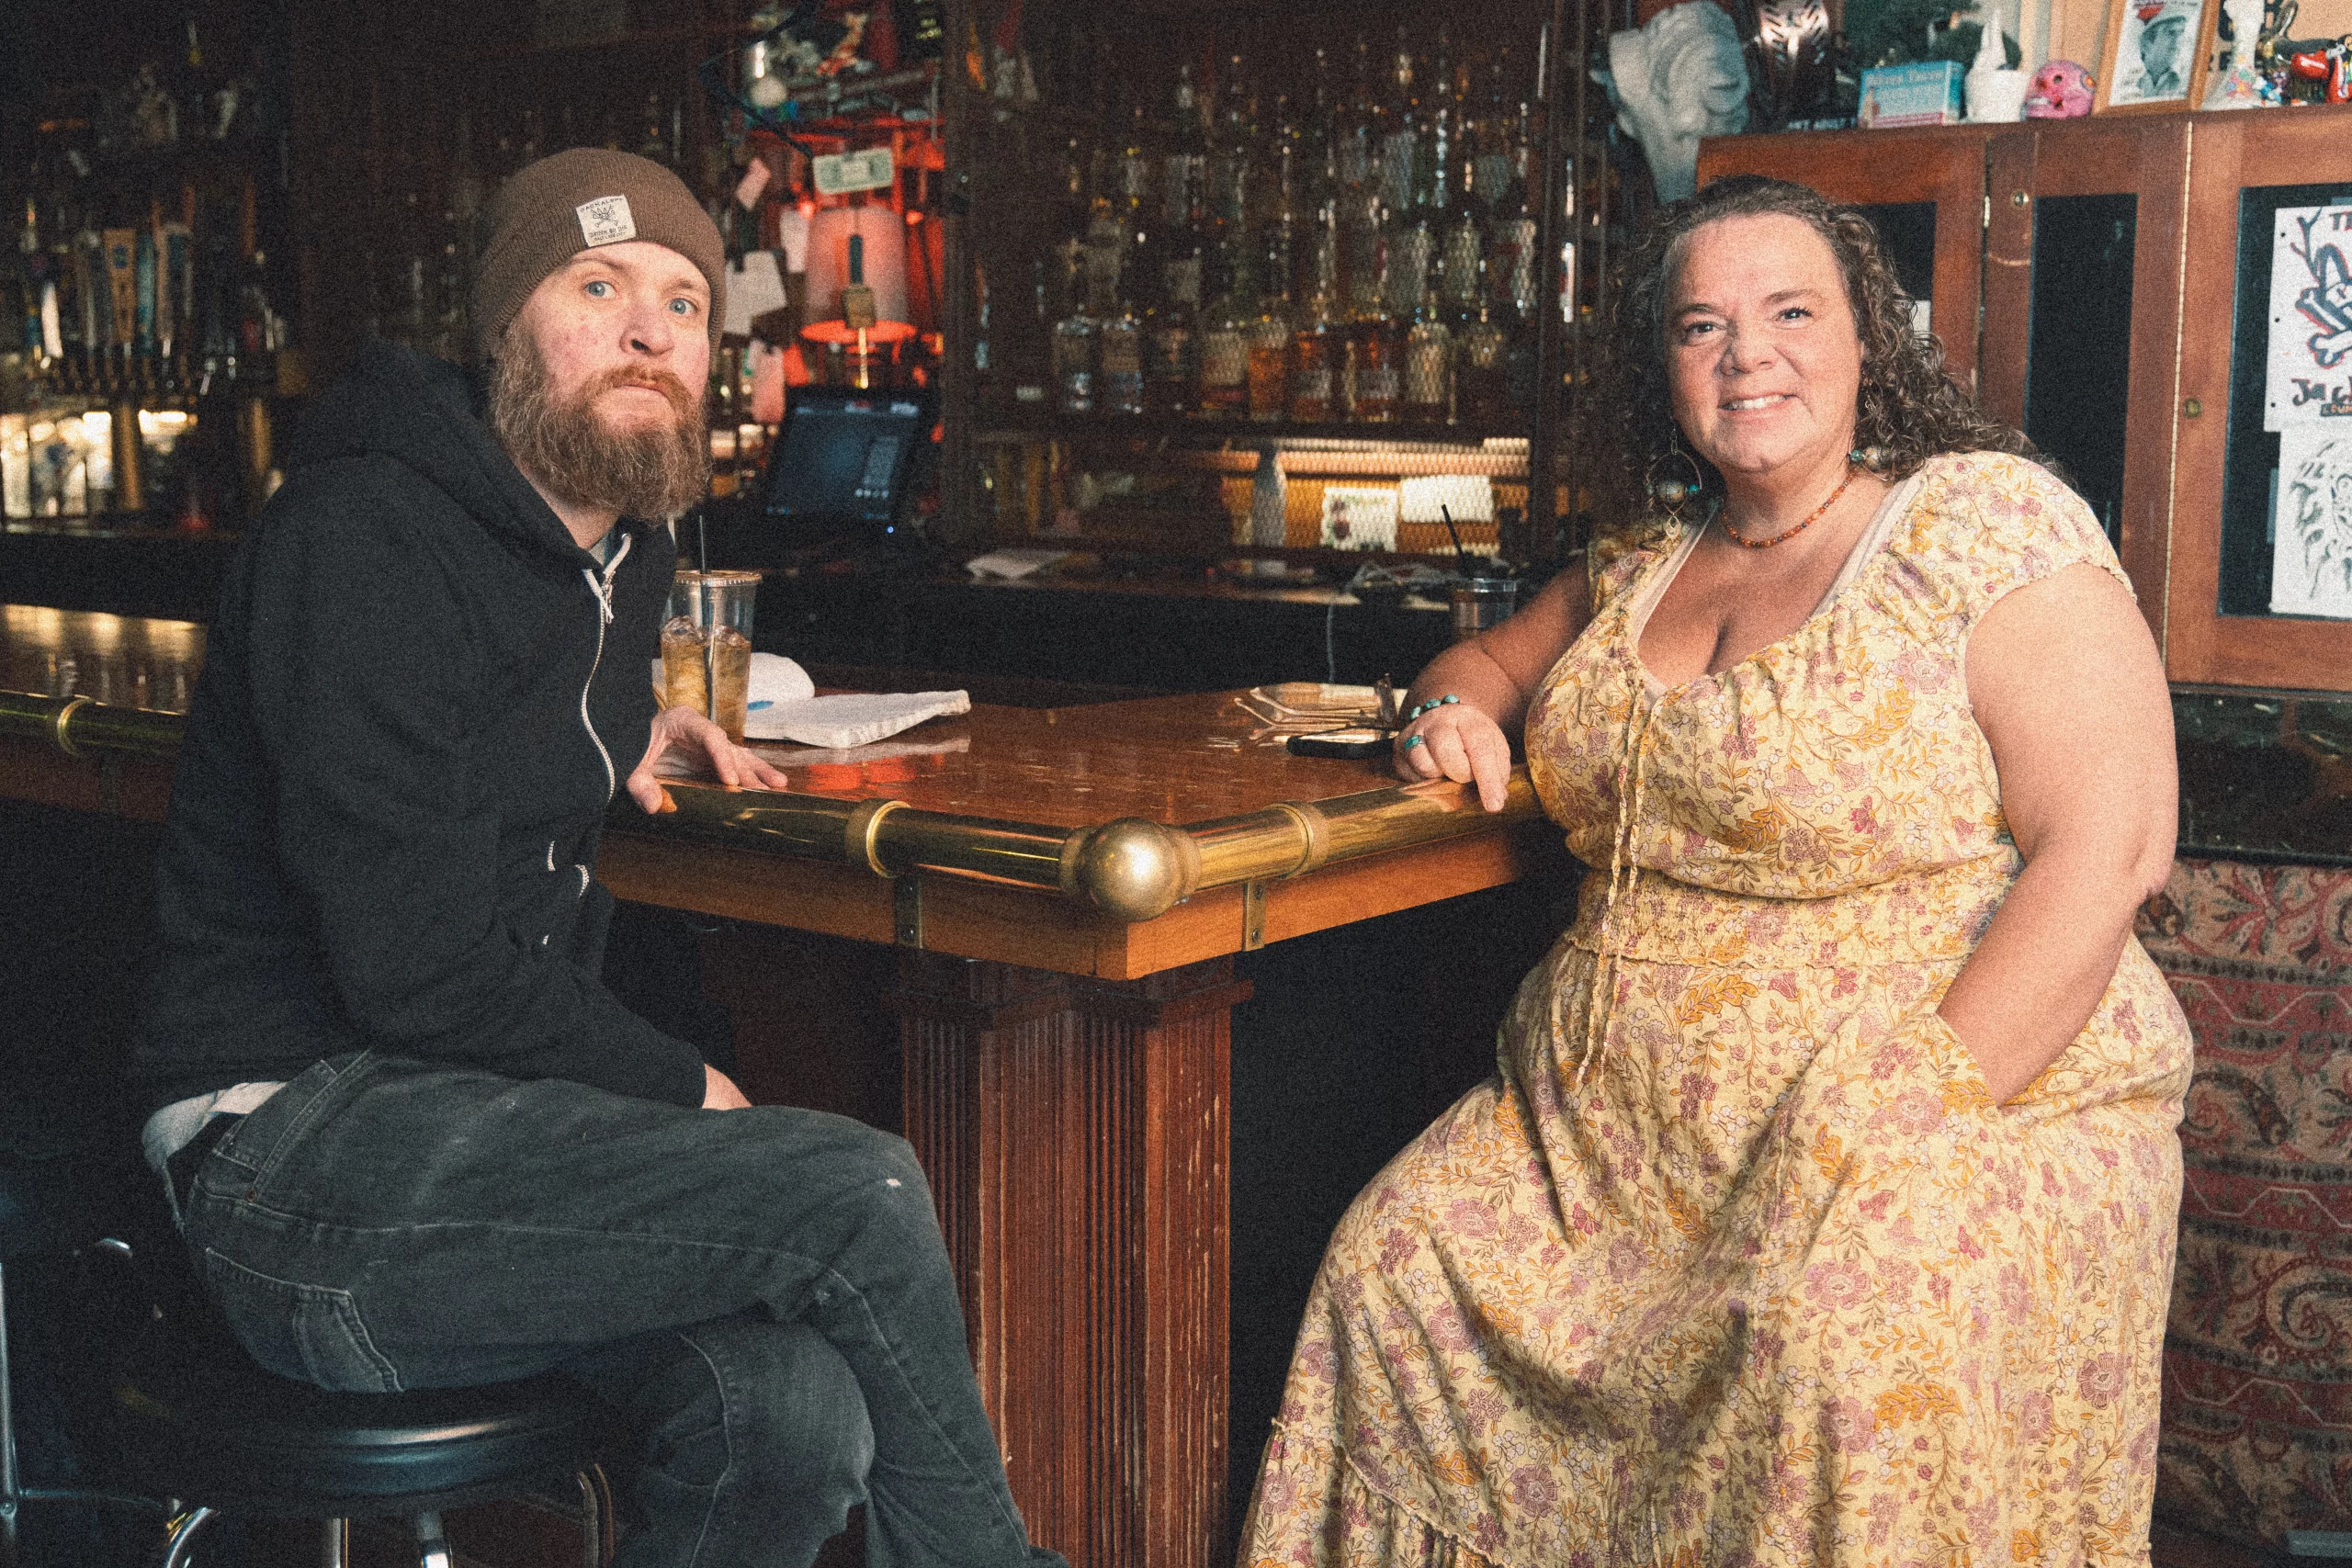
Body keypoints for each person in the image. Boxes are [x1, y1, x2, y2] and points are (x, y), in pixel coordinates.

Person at [132, 148, 1065, 1568]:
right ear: (507, 326)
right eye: (597, 284)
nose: (649, 331)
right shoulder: (362, 536)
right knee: (851, 1189)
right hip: (289, 1161)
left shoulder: (624, 548)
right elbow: (416, 965)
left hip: (476, 1135)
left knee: (791, 1408)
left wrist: (613, 731)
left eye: (685, 304)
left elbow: (512, 695)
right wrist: (684, 1085)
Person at [1238, 175, 2191, 1563]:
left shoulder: (1984, 526)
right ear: (1668, 370)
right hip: (1601, 1140)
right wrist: (1450, 710)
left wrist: (1906, 1105)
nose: (1748, 353)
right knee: (1393, 1262)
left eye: (1791, 311)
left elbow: (2112, 850)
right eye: (1703, 326)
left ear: (1873, 338)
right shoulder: (1640, 559)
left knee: (1834, 1344)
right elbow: (1486, 660)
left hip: (1944, 1094)